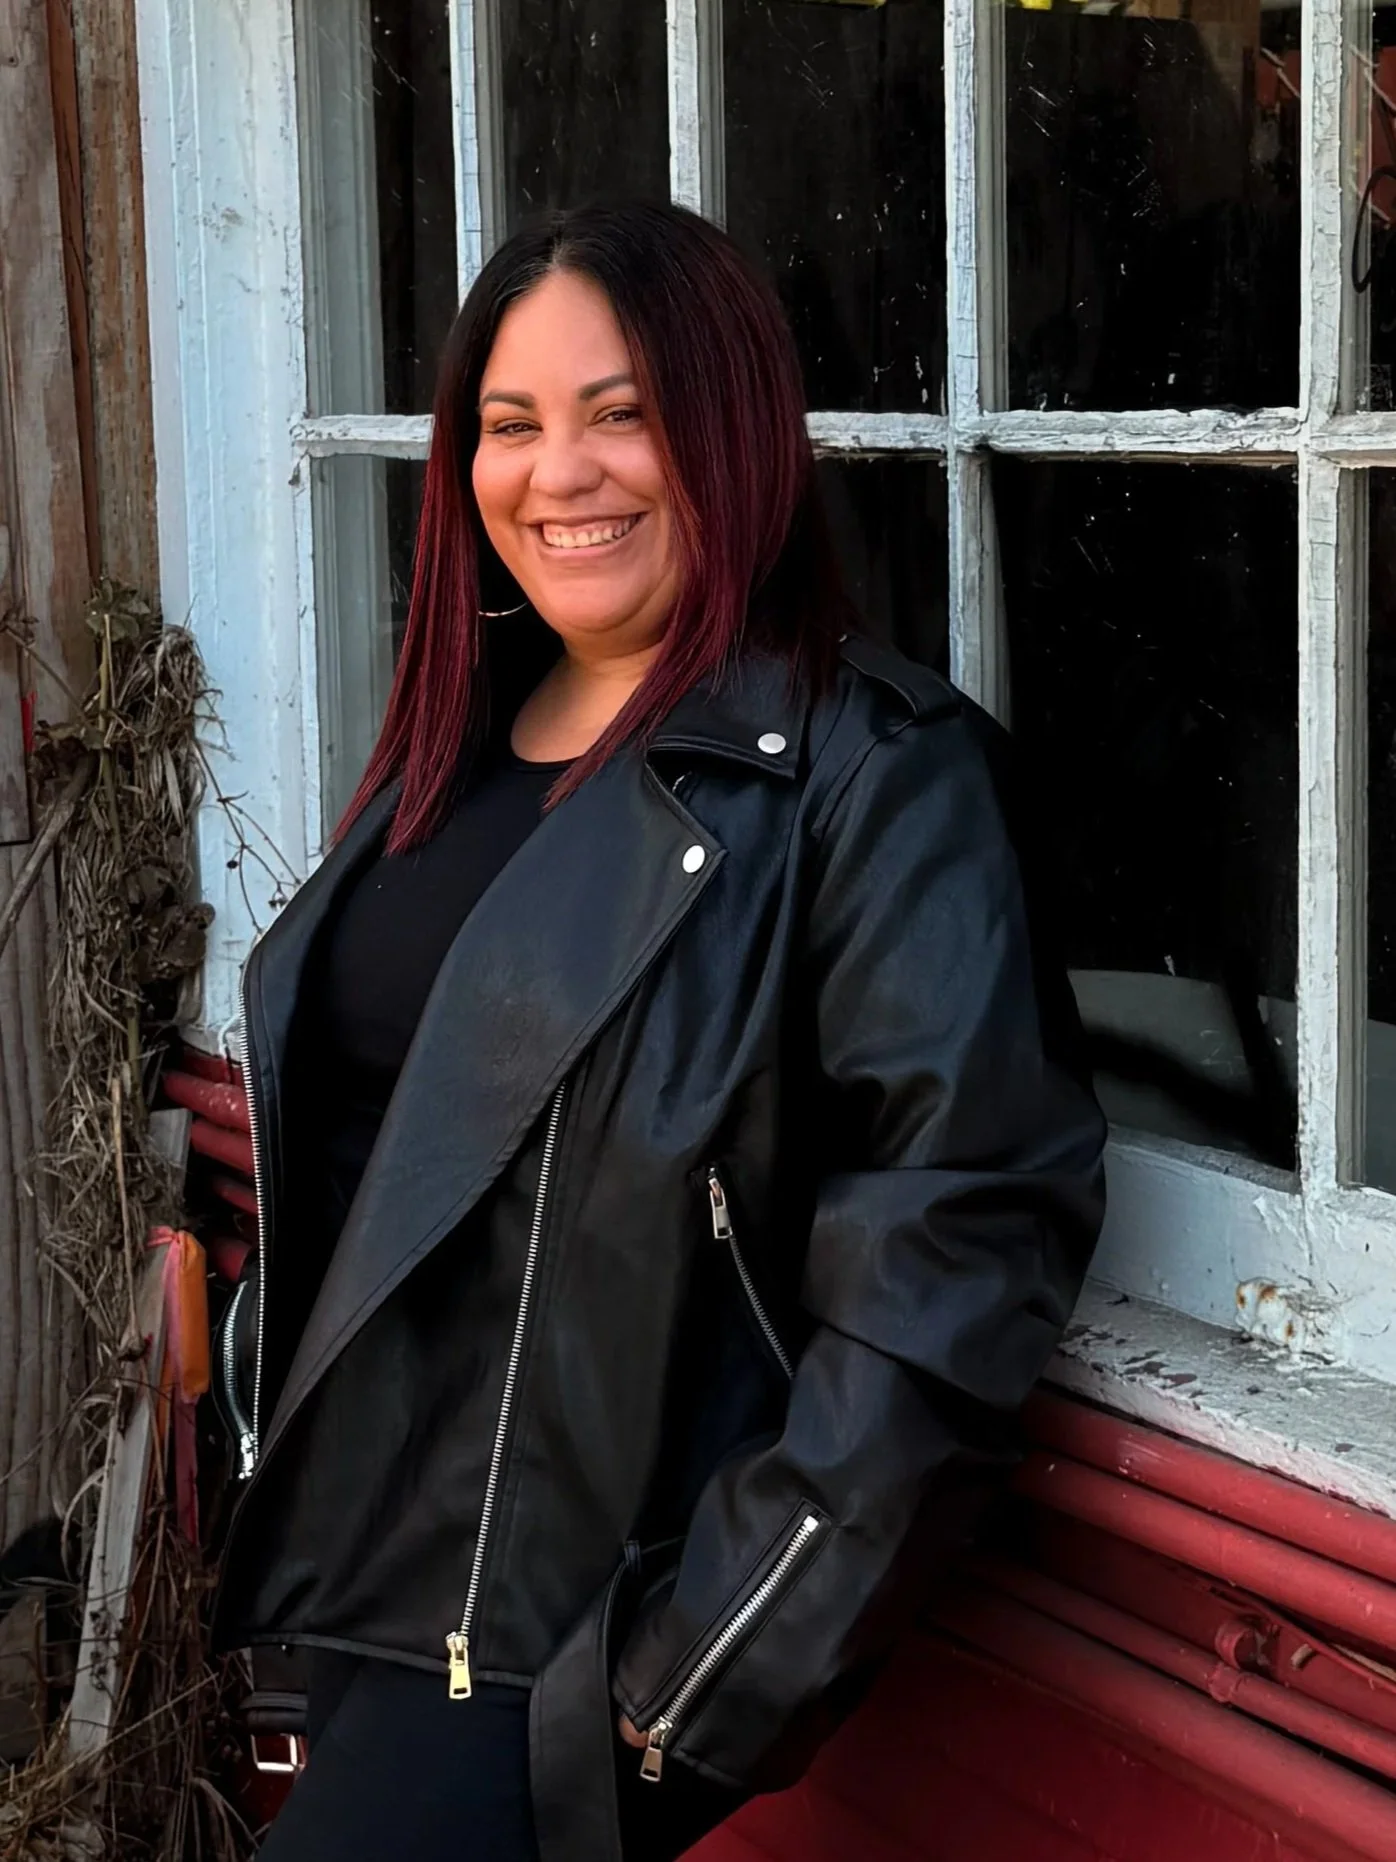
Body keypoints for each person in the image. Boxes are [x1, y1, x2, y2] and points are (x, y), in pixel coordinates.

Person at [212, 201, 1107, 1862]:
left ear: (731, 427)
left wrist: (689, 1673)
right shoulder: (455, 743)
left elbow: (959, 1248)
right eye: (510, 423)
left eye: (620, 413)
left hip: (559, 1643)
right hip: (357, 1579)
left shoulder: (874, 778)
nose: (560, 473)